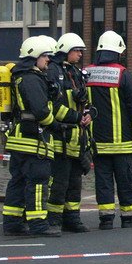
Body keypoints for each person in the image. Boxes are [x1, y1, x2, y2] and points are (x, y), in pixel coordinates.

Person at [2, 36, 86, 237]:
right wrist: (56, 125)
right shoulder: (31, 78)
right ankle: (38, 224)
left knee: (19, 181)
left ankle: (12, 223)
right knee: (38, 182)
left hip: (21, 137)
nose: (48, 60)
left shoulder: (23, 76)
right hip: (33, 139)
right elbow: (41, 111)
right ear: (34, 56)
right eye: (45, 56)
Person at [86, 30, 132, 229]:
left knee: (103, 180)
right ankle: (129, 216)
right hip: (122, 142)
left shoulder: (87, 73)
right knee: (125, 179)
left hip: (98, 141)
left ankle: (106, 218)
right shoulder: (123, 74)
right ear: (118, 52)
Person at [45, 33, 92, 233]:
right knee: (59, 182)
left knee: (75, 182)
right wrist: (76, 117)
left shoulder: (76, 72)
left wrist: (88, 114)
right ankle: (54, 220)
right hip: (61, 138)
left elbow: (85, 101)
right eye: (77, 51)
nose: (80, 54)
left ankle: (72, 218)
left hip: (77, 138)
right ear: (65, 50)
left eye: (81, 51)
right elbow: (54, 107)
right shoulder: (53, 72)